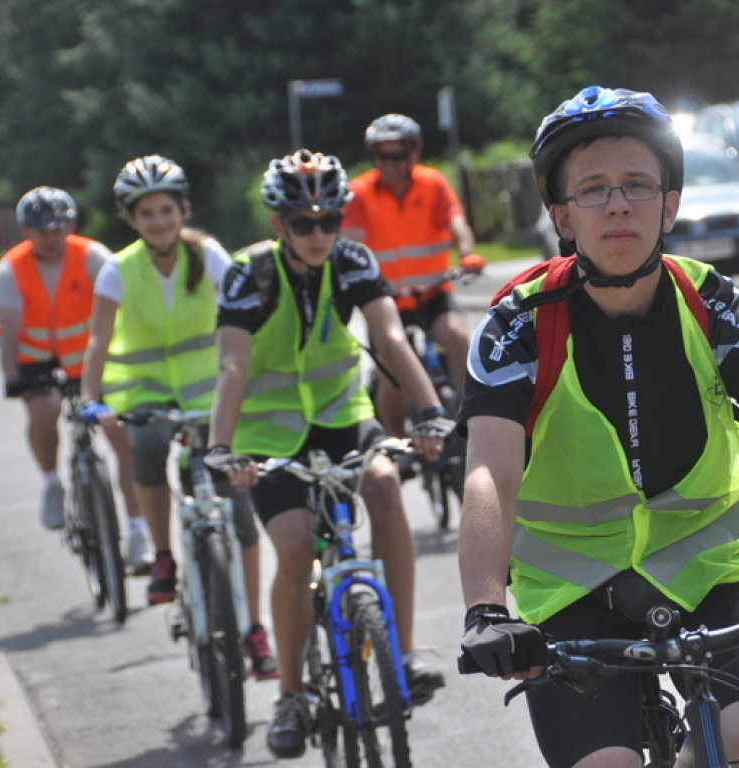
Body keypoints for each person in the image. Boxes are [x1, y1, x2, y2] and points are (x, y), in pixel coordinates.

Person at [456, 86, 739, 768]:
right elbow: (489, 473)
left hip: (711, 578)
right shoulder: (517, 326)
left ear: (670, 204)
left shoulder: (717, 306)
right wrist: (487, 611)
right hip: (573, 598)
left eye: (638, 185)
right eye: (592, 190)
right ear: (561, 216)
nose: (618, 204)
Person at [204, 149, 450, 758]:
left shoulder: (354, 260)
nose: (319, 234)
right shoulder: (246, 275)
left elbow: (390, 337)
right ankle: (291, 695)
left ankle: (405, 651)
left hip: (343, 417)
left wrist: (428, 412)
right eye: (303, 223)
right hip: (266, 434)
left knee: (388, 486)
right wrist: (220, 448)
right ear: (278, 225)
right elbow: (233, 365)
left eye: (329, 220)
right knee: (292, 549)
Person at [78, 155, 277, 680]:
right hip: (145, 394)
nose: (159, 221)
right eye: (147, 213)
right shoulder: (118, 270)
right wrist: (89, 396)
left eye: (166, 210)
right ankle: (163, 554)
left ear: (182, 210)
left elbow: (245, 319)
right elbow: (99, 338)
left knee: (238, 509)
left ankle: (255, 629)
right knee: (145, 449)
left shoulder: (208, 255)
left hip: (210, 392)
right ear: (131, 219)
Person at [0, 187, 152, 572]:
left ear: (71, 226)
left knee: (120, 435)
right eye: (43, 229)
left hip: (90, 357)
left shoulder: (93, 256)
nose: (52, 237)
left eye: (59, 228)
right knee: (44, 410)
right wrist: (12, 377)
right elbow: (10, 329)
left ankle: (137, 531)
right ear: (26, 231)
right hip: (36, 360)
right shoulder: (11, 269)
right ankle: (51, 482)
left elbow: (122, 302)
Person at [342, 113, 485, 438]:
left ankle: (473, 423)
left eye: (398, 155)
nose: (389, 163)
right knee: (392, 374)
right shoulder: (361, 192)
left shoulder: (432, 183)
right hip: (387, 301)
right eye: (381, 155)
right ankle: (397, 444)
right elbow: (349, 241)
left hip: (433, 292)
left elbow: (457, 223)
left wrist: (467, 253)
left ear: (414, 152)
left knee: (459, 338)